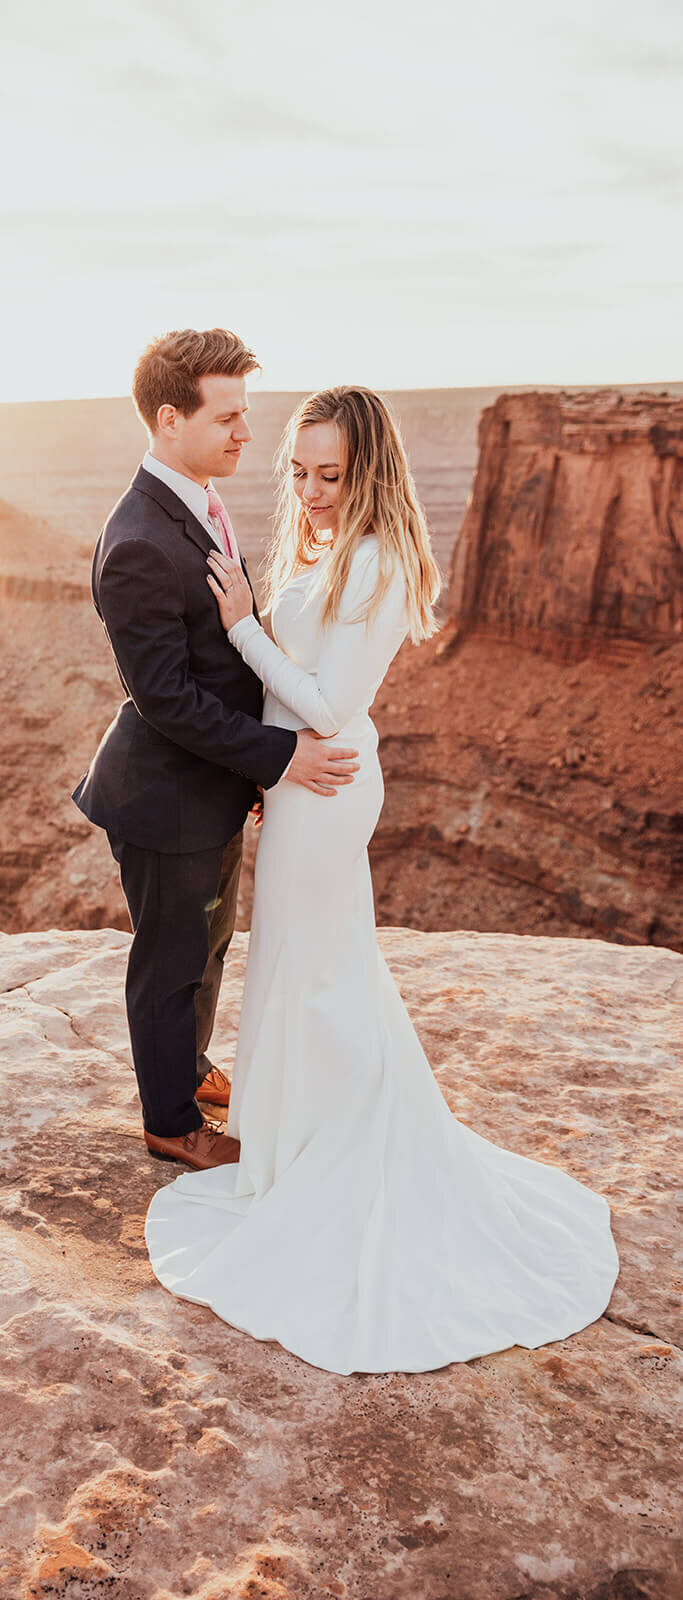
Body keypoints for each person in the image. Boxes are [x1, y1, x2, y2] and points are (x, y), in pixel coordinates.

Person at [144, 386, 620, 1374]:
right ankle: (296, 1149)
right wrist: (264, 768)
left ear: (369, 473)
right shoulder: (327, 549)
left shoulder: (380, 561)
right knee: (296, 970)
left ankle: (340, 1157)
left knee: (319, 975)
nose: (313, 494)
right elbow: (293, 701)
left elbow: (326, 700)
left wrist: (239, 625)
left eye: (332, 476)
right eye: (302, 474)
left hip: (329, 788)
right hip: (302, 786)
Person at [72, 330, 362, 1171]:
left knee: (207, 946)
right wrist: (278, 757)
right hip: (163, 799)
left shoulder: (194, 497)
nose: (245, 434)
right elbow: (165, 700)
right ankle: (169, 1122)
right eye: (227, 416)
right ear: (170, 419)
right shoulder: (137, 541)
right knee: (169, 961)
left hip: (209, 789)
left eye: (245, 415)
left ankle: (189, 1070)